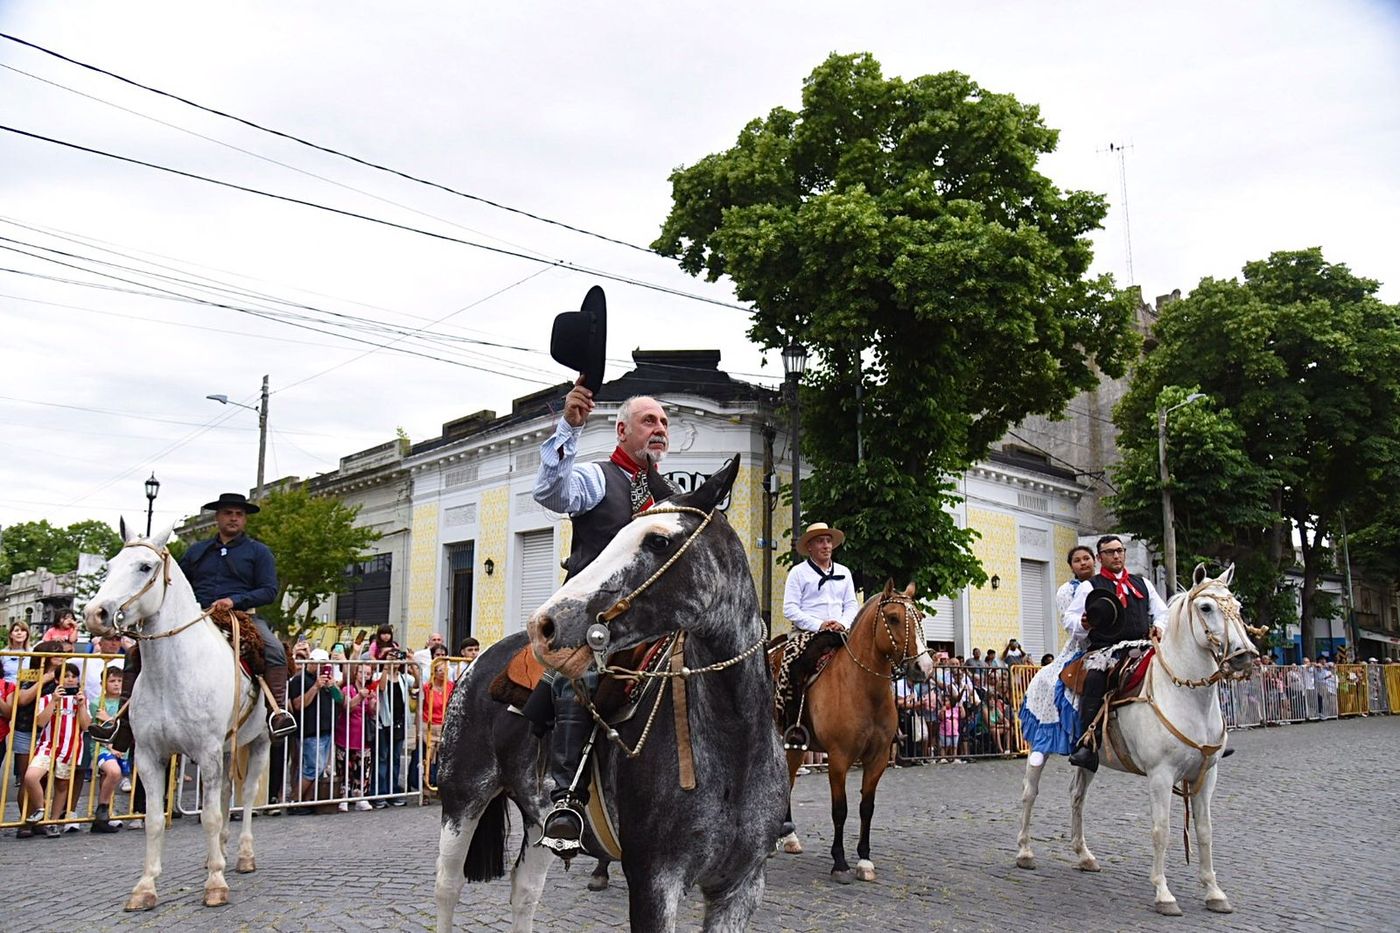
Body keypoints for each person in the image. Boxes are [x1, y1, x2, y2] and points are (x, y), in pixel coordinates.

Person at [529, 378, 672, 849]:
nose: (659, 429)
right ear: (621, 430)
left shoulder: (669, 497)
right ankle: (566, 798)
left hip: (654, 619)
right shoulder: (596, 478)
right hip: (597, 616)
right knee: (582, 674)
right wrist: (568, 428)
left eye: (664, 423)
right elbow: (551, 493)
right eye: (648, 420)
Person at [89, 492, 296, 751]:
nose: (233, 518)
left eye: (238, 514)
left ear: (244, 519)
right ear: (217, 517)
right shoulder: (197, 551)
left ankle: (276, 715)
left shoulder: (258, 552)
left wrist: (234, 600)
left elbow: (269, 590)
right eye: (228, 513)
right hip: (195, 617)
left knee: (274, 649)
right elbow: (174, 585)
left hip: (240, 615)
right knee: (134, 654)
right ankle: (121, 724)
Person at [1066, 535, 1170, 772]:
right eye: (1110, 552)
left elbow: (1163, 611)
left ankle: (1202, 736)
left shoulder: (1143, 583)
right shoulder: (1090, 586)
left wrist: (1160, 627)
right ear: (1100, 557)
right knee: (1094, 679)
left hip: (1143, 646)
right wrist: (1083, 623)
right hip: (1107, 649)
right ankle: (1088, 744)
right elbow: (1069, 617)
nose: (1116, 555)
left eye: (1120, 551)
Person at [777, 522, 859, 747]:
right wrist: (820, 625)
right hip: (808, 632)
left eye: (829, 541)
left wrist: (841, 623)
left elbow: (852, 604)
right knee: (795, 664)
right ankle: (794, 720)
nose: (826, 546)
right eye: (821, 541)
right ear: (810, 547)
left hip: (841, 631)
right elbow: (790, 609)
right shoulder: (798, 573)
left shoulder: (844, 572)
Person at [22, 660, 91, 837]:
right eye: (65, 676)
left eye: (73, 676)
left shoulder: (82, 700)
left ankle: (53, 821)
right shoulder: (46, 699)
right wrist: (54, 701)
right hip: (47, 746)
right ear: (56, 680)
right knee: (31, 777)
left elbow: (85, 726)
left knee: (62, 784)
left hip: (70, 747)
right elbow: (40, 722)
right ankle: (40, 808)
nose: (69, 680)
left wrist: (82, 705)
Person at [11, 640, 64, 837]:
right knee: (27, 777)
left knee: (43, 778)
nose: (60, 655)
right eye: (56, 652)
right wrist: (44, 679)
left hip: (50, 733)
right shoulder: (31, 673)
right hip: (26, 730)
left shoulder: (64, 673)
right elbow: (22, 698)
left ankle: (39, 818)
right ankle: (25, 819)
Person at [290, 651, 343, 808]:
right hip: (311, 732)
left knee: (318, 770)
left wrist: (332, 686)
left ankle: (306, 801)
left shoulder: (327, 680)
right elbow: (298, 705)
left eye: (325, 664)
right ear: (311, 662)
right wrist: (315, 687)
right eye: (320, 663)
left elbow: (340, 699)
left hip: (327, 730)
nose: (322, 667)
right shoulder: (299, 680)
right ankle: (295, 800)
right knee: (313, 768)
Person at [372, 646, 419, 807]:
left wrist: (412, 663)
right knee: (383, 758)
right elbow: (382, 687)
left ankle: (393, 790)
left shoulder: (404, 678)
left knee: (395, 758)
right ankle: (380, 792)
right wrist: (386, 666)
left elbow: (419, 683)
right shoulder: (378, 675)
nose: (395, 661)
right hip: (384, 722)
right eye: (391, 657)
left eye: (397, 658)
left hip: (399, 723)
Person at [90, 661, 128, 832]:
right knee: (113, 772)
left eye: (120, 681)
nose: (117, 684)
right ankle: (102, 809)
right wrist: (111, 746)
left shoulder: (125, 703)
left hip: (123, 746)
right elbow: (97, 730)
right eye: (112, 681)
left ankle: (108, 814)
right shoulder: (98, 703)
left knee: (110, 779)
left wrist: (110, 719)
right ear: (103, 684)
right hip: (103, 747)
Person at [334, 663, 376, 811]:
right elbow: (347, 706)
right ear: (356, 673)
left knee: (363, 768)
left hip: (363, 736)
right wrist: (360, 696)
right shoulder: (348, 688)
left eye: (368, 673)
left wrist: (372, 702)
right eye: (362, 672)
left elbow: (372, 713)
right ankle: (343, 797)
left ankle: (360, 796)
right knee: (344, 767)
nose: (365, 676)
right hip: (345, 734)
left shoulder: (370, 690)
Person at [1055, 545, 1097, 614]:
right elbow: (1066, 618)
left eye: (1086, 558)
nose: (1083, 563)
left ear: (1094, 561)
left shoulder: (1106, 582)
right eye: (1077, 561)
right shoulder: (1066, 590)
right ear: (1071, 567)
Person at [3, 618, 32, 684]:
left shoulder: (33, 652)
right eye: (16, 630)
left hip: (26, 690)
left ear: (27, 634)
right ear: (11, 635)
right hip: (6, 688)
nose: (19, 633)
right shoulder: (3, 653)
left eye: (23, 630)